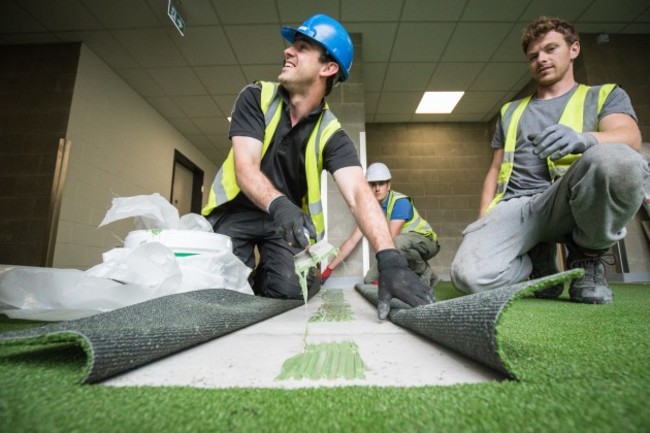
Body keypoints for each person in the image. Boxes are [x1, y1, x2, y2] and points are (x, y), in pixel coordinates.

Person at [201, 14, 433, 319]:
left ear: (328, 67)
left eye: (301, 47)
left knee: (291, 290)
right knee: (214, 289)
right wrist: (278, 203)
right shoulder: (256, 97)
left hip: (284, 226)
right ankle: (242, 275)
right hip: (237, 211)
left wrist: (388, 256)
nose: (287, 51)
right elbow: (246, 168)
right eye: (291, 46)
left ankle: (264, 278)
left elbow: (359, 194)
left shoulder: (332, 134)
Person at [451, 16, 648, 304]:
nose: (541, 59)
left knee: (617, 159)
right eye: (534, 55)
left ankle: (587, 258)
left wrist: (586, 139)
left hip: (571, 199)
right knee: (469, 277)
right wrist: (484, 220)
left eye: (550, 49)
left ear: (574, 49)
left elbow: (630, 137)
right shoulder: (510, 111)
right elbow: (494, 170)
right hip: (518, 206)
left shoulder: (603, 95)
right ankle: (537, 264)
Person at [321, 162, 440, 290]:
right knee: (369, 280)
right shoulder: (368, 211)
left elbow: (390, 240)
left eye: (381, 183)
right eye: (373, 184)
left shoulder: (400, 202)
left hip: (427, 242)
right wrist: (329, 268)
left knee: (395, 243)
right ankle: (430, 275)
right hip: (403, 245)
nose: (377, 188)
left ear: (388, 185)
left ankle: (424, 270)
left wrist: (385, 275)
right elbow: (352, 241)